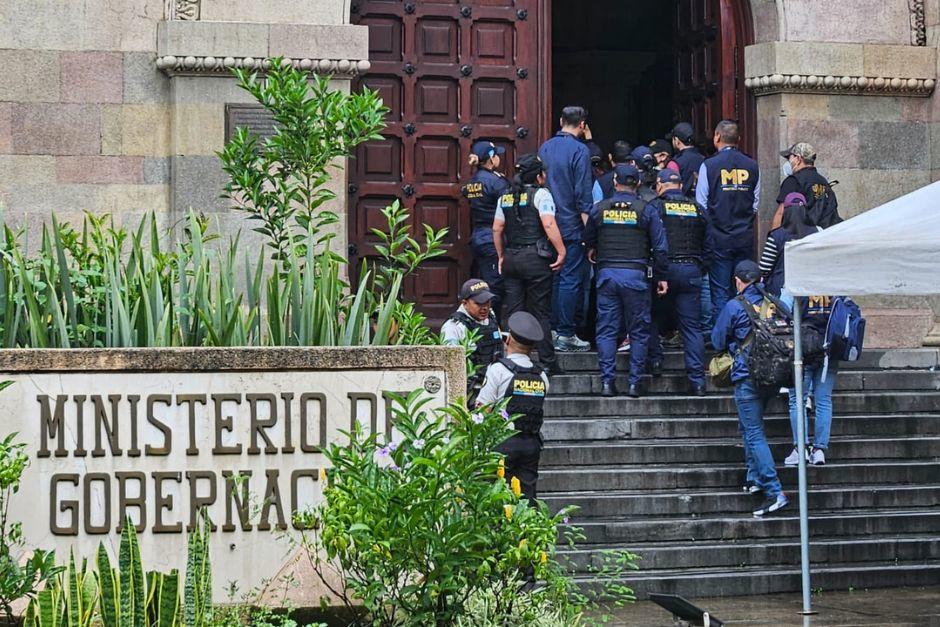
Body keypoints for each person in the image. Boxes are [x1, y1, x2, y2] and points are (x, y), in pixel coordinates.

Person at [712, 260, 789, 517]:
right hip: (773, 377)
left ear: (738, 281)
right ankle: (754, 478)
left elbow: (717, 339)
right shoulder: (776, 304)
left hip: (747, 376)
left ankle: (773, 490)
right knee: (750, 427)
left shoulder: (735, 306)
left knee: (754, 432)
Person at [584, 164, 668, 398]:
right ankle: (634, 383)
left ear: (614, 182)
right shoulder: (647, 210)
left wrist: (593, 250)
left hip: (608, 275)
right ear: (638, 183)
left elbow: (588, 239)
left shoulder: (599, 208)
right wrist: (660, 276)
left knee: (607, 331)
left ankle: (607, 383)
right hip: (636, 277)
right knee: (639, 332)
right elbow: (660, 247)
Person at [493, 153, 566, 374]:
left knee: (514, 310)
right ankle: (547, 361)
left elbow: (497, 228)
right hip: (536, 259)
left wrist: (501, 256)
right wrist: (562, 251)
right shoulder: (541, 194)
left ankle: (513, 360)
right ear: (540, 176)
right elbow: (549, 224)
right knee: (540, 311)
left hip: (512, 259)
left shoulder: (505, 195)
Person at [647, 169, 710, 396]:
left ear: (661, 185)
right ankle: (698, 381)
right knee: (691, 327)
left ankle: (655, 361)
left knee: (651, 316)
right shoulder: (697, 208)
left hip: (663, 271)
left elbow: (650, 240)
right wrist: (700, 267)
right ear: (680, 185)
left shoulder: (655, 207)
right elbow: (708, 243)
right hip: (691, 270)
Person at [476, 311, 550, 502]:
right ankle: (528, 532)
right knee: (527, 497)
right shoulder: (541, 376)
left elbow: (484, 409)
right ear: (532, 347)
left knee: (498, 496)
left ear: (507, 339)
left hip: (503, 442)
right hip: (531, 444)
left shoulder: (498, 370)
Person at [538, 106, 594, 353]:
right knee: (570, 280)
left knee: (555, 279)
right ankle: (566, 333)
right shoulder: (581, 150)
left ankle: (553, 328)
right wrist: (590, 235)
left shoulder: (545, 147)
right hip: (571, 225)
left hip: (547, 224)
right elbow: (583, 195)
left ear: (561, 121)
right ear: (582, 125)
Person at [696, 120, 761, 324]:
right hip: (743, 238)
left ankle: (722, 341)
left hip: (718, 239)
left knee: (721, 292)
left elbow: (701, 205)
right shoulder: (752, 165)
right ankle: (743, 336)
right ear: (738, 139)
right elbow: (755, 204)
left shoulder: (709, 165)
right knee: (745, 289)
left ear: (716, 137)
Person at [785, 295, 838, 466]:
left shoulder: (798, 284)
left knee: (797, 400)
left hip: (803, 348)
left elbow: (783, 310)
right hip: (830, 349)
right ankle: (820, 449)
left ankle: (801, 448)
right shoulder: (835, 286)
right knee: (824, 400)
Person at [462, 141, 510, 317]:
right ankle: (490, 325)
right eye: (496, 154)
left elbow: (465, 192)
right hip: (493, 238)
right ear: (491, 158)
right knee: (495, 285)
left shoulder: (473, 181)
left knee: (484, 282)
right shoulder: (497, 182)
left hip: (479, 236)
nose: (499, 157)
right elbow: (507, 208)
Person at [441, 279, 503, 401]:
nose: (485, 307)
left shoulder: (490, 315)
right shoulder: (453, 327)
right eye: (479, 303)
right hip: (470, 392)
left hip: (495, 387)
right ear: (465, 303)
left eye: (488, 302)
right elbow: (451, 366)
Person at [758, 192, 816, 297]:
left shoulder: (777, 235)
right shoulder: (817, 233)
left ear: (785, 211)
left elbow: (764, 269)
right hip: (810, 290)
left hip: (780, 290)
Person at [774, 142, 842, 230]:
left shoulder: (793, 181)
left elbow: (781, 213)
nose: (788, 162)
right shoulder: (823, 181)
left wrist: (773, 238)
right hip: (826, 236)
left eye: (789, 158)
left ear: (798, 158)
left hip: (802, 237)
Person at [669, 122, 704, 196]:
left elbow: (671, 190)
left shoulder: (675, 163)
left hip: (682, 204)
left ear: (677, 140)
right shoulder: (705, 160)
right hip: (701, 205)